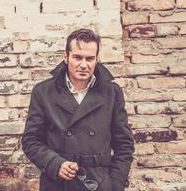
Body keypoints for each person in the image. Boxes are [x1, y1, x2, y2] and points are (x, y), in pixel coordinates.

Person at [21, 28, 134, 191]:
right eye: (77, 57)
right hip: (58, 184)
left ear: (97, 59)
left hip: (98, 183)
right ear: (65, 57)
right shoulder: (43, 92)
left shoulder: (112, 92)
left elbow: (124, 144)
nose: (83, 65)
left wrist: (115, 185)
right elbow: (31, 140)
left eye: (90, 59)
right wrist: (54, 164)